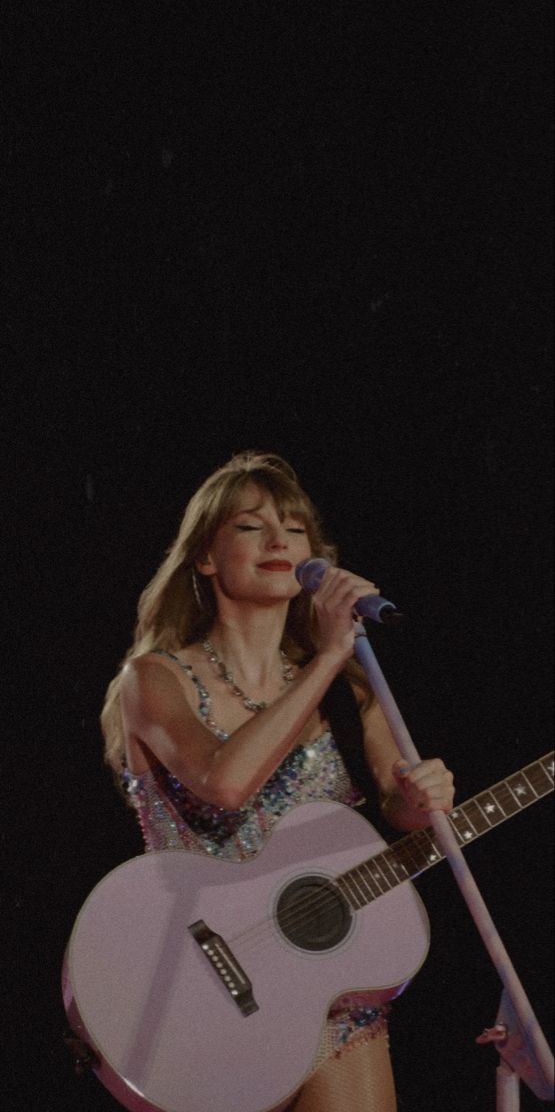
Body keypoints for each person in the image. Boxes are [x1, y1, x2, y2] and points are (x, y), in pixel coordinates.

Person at [101, 451, 454, 1112]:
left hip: (323, 987)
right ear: (205, 557)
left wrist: (418, 799)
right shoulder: (152, 679)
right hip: (196, 984)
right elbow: (223, 784)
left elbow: (397, 809)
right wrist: (326, 656)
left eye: (294, 531)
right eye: (250, 527)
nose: (279, 542)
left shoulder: (352, 690)